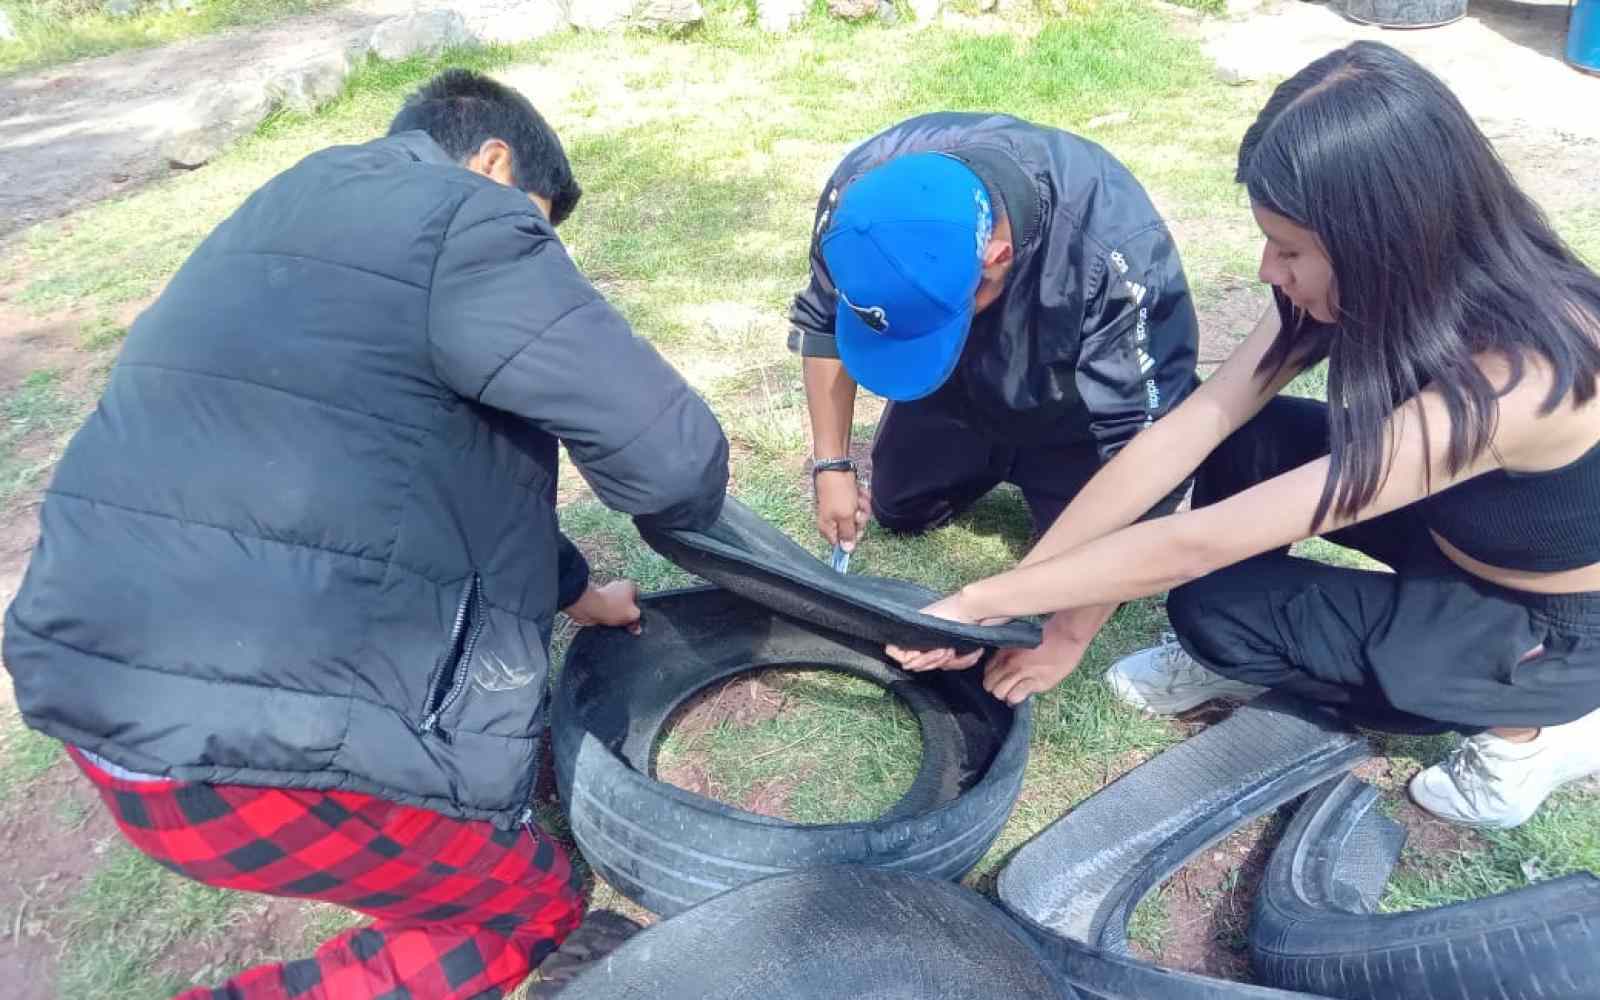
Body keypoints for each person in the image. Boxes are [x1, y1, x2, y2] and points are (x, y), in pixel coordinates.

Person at [2, 70, 728, 998]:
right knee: (529, 908)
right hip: (253, 757)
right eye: (540, 228)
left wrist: (581, 594)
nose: (541, 257)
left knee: (466, 837)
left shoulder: (281, 212)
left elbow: (422, 479)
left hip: (99, 702)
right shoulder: (464, 216)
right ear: (492, 163)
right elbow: (672, 464)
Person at [888, 42, 1600, 830]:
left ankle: (1531, 732)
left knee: (1214, 610)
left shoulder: (1519, 378)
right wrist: (1049, 614)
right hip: (1459, 519)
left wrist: (985, 599)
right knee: (1238, 438)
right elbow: (1190, 428)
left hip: (1545, 624)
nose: (1268, 269)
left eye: (1290, 249)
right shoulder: (1389, 289)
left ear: (1383, 240)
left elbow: (1201, 542)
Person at [789, 112, 1200, 688]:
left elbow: (1157, 448)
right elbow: (822, 321)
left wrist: (1065, 635)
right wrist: (830, 464)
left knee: (1086, 579)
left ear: (995, 258)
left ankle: (1039, 471)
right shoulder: (862, 200)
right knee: (899, 509)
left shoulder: (1112, 247)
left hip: (1072, 419)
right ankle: (978, 448)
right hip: (958, 390)